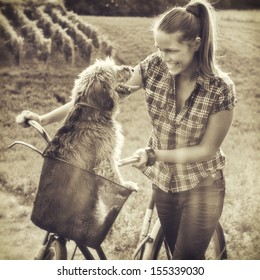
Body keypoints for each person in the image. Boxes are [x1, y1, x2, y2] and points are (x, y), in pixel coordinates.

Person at [16, 0, 237, 259]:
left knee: (185, 263)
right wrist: (43, 118)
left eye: (172, 50)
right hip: (164, 183)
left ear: (196, 45)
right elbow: (92, 100)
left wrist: (155, 156)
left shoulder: (220, 88)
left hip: (202, 187)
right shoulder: (154, 67)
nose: (164, 57)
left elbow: (206, 150)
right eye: (159, 49)